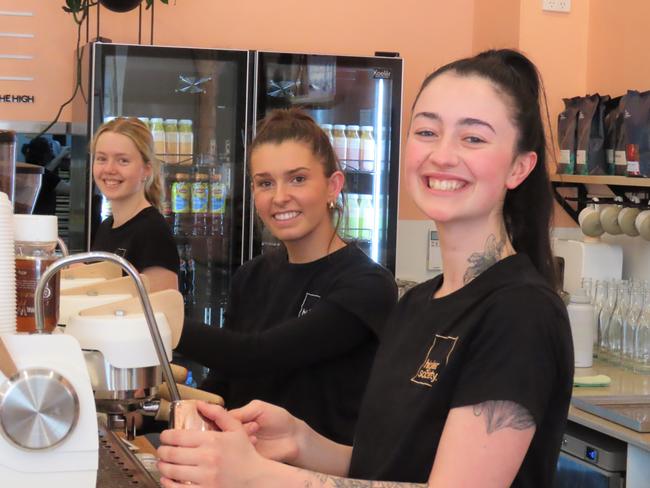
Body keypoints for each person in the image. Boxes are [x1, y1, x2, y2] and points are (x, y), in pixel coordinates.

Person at [156, 50, 574, 488]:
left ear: (520, 166)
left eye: (473, 138)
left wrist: (257, 476)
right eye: (428, 131)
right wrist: (300, 441)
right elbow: (388, 464)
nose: (443, 155)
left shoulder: (519, 313)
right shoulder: (417, 302)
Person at [171, 108, 398, 445]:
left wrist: (159, 323)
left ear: (333, 186)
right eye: (265, 183)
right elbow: (226, 383)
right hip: (243, 471)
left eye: (298, 179)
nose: (279, 197)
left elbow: (258, 356)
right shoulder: (252, 276)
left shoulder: (367, 285)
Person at [90, 117, 179, 292]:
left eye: (122, 160)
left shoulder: (153, 232)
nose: (109, 169)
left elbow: (162, 314)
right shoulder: (106, 226)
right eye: (101, 159)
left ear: (146, 169)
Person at [21, 136, 70, 215]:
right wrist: (76, 167)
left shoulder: (27, 171)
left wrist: (60, 157)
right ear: (45, 155)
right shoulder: (46, 176)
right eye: (50, 150)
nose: (52, 154)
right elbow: (70, 189)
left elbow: (46, 171)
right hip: (42, 220)